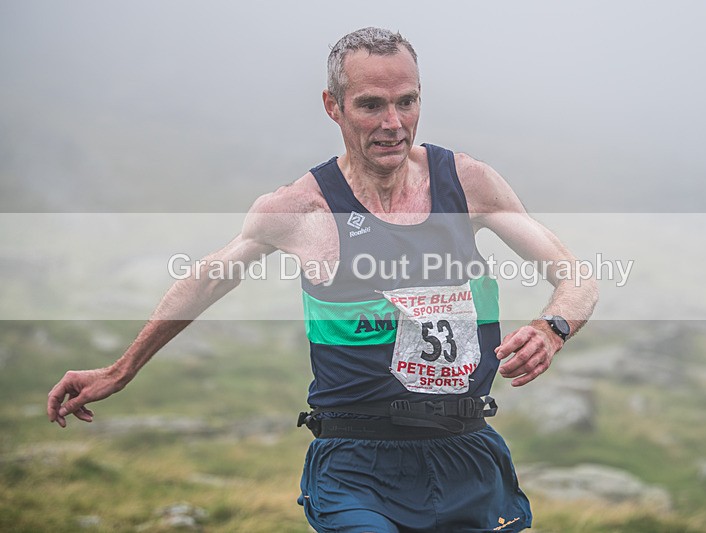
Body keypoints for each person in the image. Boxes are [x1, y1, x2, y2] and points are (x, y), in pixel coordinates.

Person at [48, 27, 598, 532]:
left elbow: (574, 275)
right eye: (371, 105)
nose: (393, 124)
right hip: (357, 464)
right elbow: (208, 280)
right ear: (332, 106)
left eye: (407, 102)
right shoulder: (299, 209)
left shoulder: (468, 184)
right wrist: (121, 370)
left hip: (467, 454)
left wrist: (554, 327)